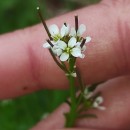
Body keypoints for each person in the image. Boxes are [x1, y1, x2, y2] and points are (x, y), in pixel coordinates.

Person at [0, 0, 130, 129]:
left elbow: (68, 50)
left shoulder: (70, 48)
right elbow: (65, 50)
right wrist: (66, 48)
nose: (67, 50)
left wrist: (70, 49)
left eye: (69, 49)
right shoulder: (64, 49)